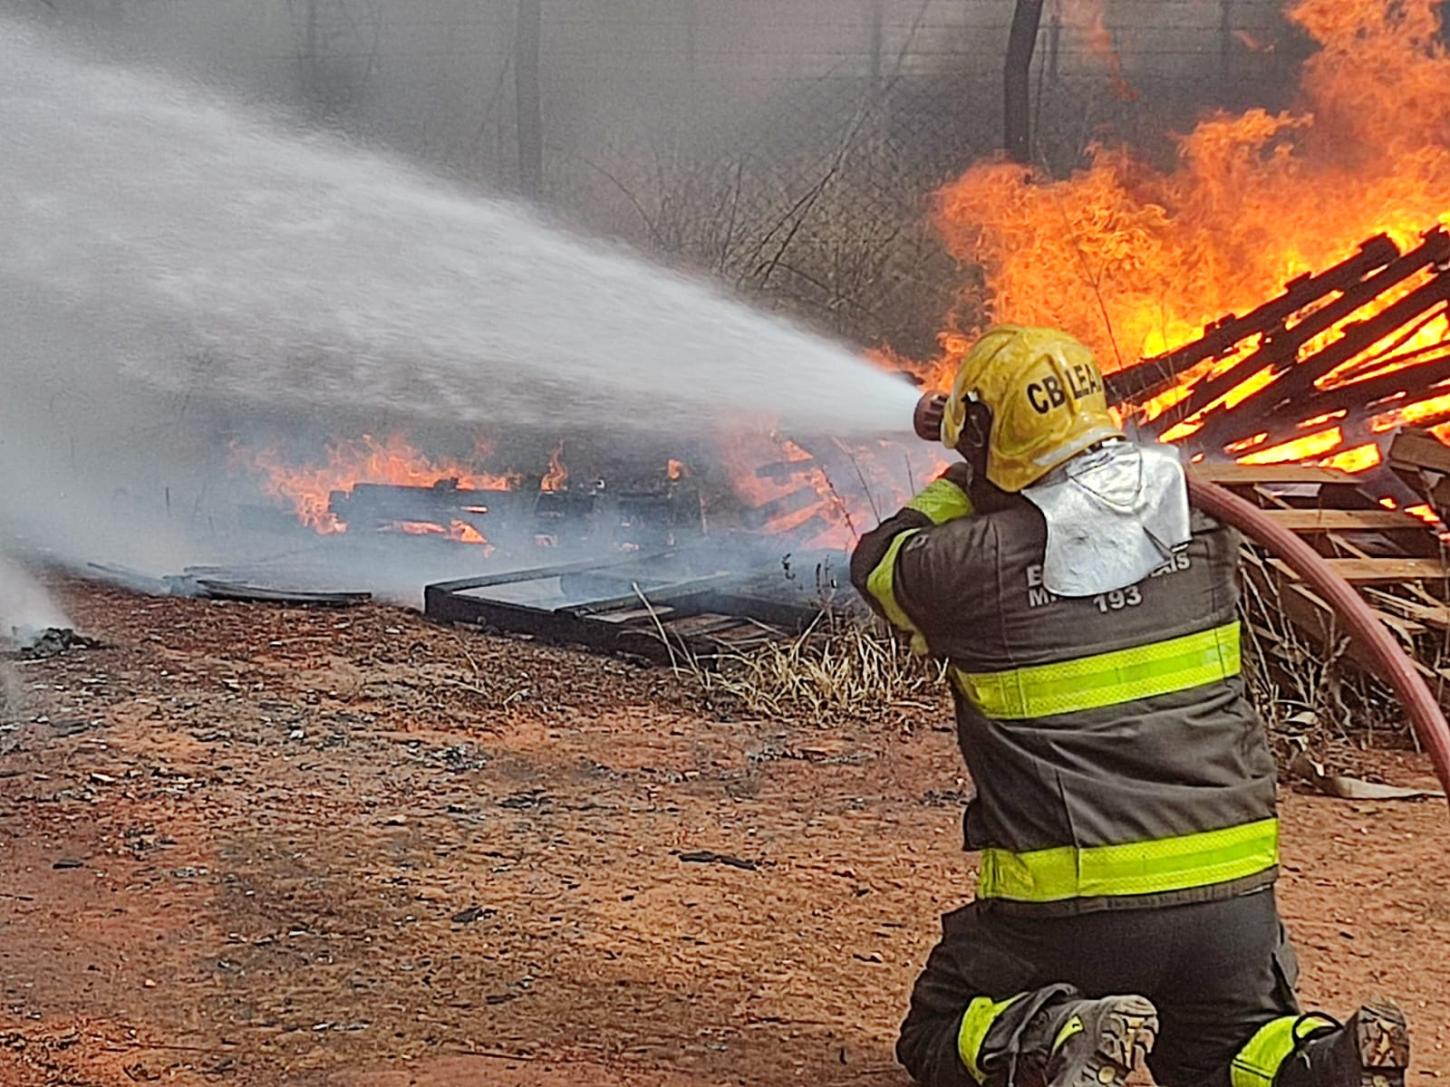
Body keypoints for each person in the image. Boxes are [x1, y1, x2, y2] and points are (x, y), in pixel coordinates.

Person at [849, 326, 1410, 1087]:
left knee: (939, 1026)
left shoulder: (965, 565)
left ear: (989, 444)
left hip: (1075, 913)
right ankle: (1315, 1064)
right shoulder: (1204, 523)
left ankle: (1061, 1030)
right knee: (1225, 1047)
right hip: (1232, 901)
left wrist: (965, 476)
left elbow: (879, 560)